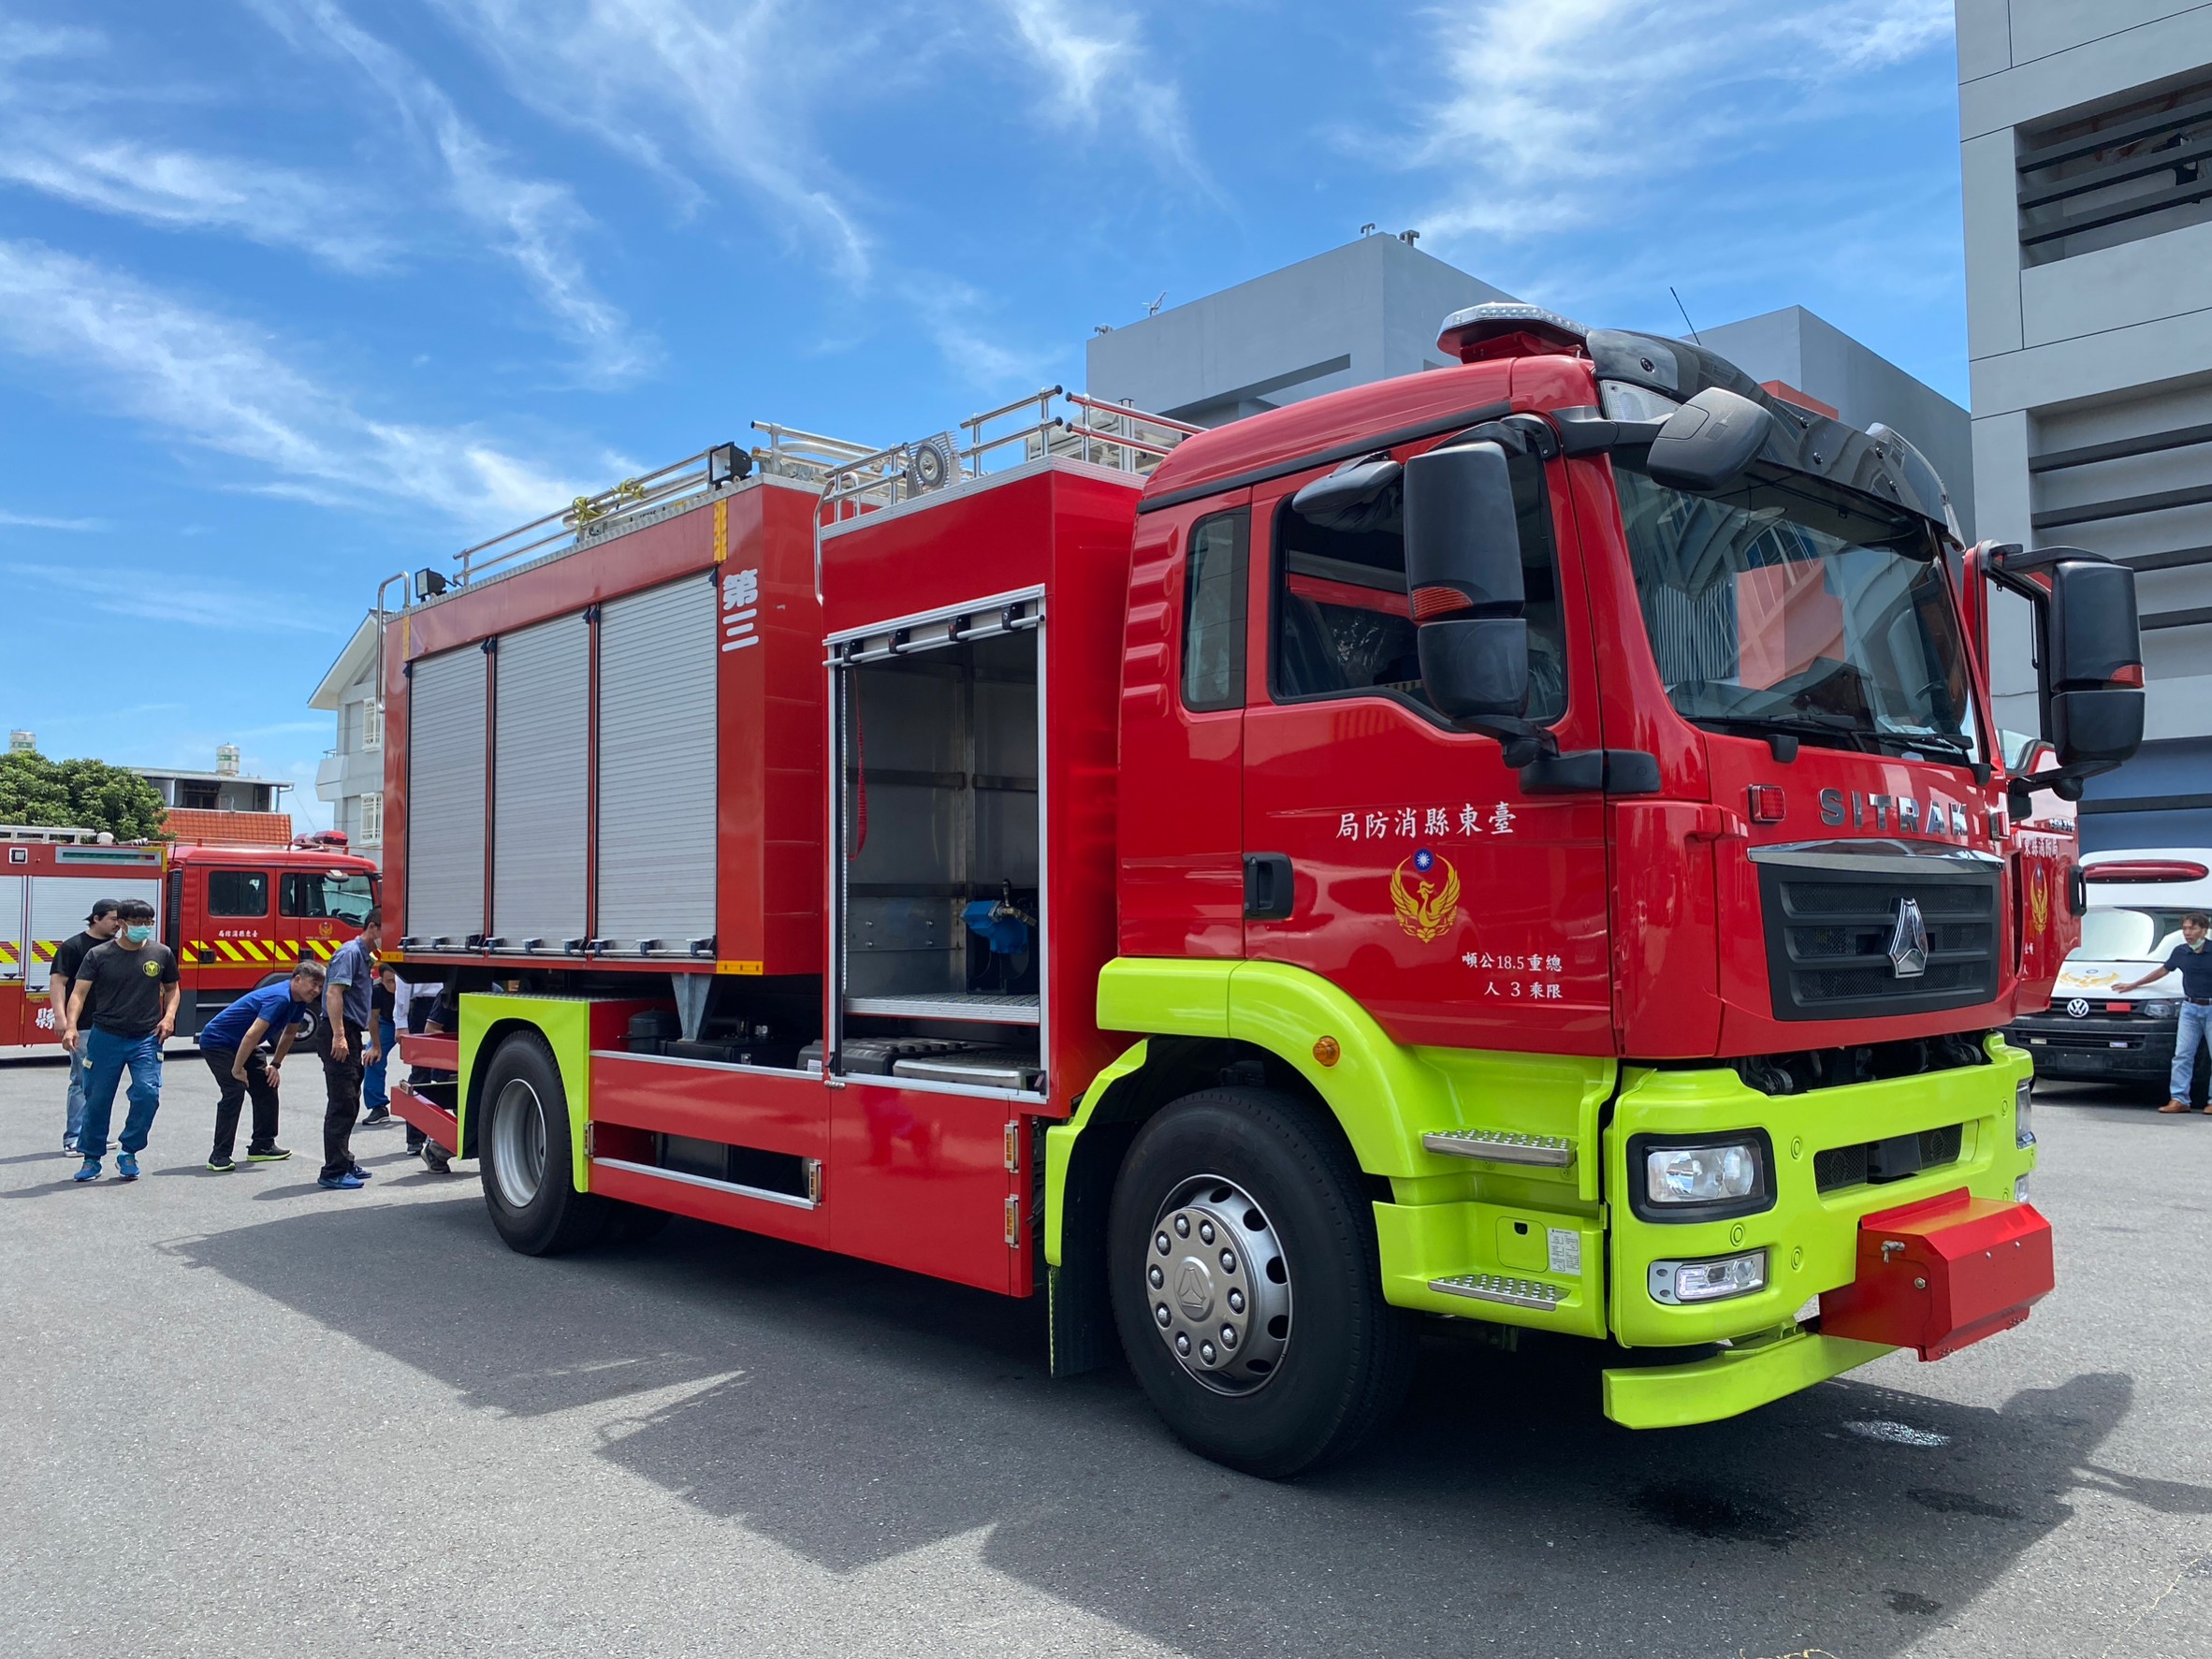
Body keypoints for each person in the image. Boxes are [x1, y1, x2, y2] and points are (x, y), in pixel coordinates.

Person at [65, 899, 179, 1184]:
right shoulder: (99, 955)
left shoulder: (161, 953)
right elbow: (78, 994)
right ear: (122, 924)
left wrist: (169, 1017)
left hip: (145, 1038)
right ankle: (91, 1158)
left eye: (148, 923)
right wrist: (71, 1027)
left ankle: (129, 1151)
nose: (144, 928)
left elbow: (172, 989)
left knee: (147, 1094)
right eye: (137, 923)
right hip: (106, 1036)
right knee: (97, 1098)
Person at [196, 963, 324, 1171]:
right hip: (218, 1042)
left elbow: (290, 1034)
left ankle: (262, 1146)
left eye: (320, 986)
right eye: (313, 984)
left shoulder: (299, 1002)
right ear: (298, 979)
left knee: (267, 1083)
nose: (316, 990)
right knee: (235, 1090)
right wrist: (237, 1070)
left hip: (242, 1043)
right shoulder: (280, 998)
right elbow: (252, 1034)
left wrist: (275, 1065)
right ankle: (219, 1155)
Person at [2114, 910, 2212, 1114]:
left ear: (2204, 930)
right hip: (2189, 1009)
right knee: (2182, 1055)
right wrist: (2133, 985)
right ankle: (2179, 1099)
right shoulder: (2180, 952)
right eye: (2185, 928)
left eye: (2192, 928)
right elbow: (2163, 970)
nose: (2187, 932)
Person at [315, 909, 383, 1191]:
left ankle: (344, 1161)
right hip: (339, 1031)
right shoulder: (349, 954)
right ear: (372, 927)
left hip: (352, 1033)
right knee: (342, 1102)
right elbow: (333, 993)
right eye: (386, 932)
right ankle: (333, 1171)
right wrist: (340, 1036)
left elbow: (365, 1004)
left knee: (351, 1099)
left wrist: (373, 1042)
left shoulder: (365, 958)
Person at [50, 897, 123, 1155]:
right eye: (114, 919)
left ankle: (94, 1136)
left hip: (111, 1026)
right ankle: (75, 1138)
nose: (118, 924)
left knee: (102, 1083)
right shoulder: (73, 946)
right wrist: (61, 1018)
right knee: (82, 1080)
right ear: (96, 918)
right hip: (82, 1025)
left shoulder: (118, 948)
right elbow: (58, 983)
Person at [394, 968, 456, 1172]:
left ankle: (436, 1143)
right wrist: (401, 1022)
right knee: (420, 1078)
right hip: (424, 1006)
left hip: (442, 1000)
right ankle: (419, 1140)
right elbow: (403, 981)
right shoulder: (447, 995)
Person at [361, 962, 397, 1124]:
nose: (395, 986)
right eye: (390, 981)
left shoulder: (411, 987)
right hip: (388, 1023)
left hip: (414, 1023)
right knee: (372, 1058)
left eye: (397, 981)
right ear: (381, 980)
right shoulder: (376, 991)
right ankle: (378, 1107)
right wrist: (376, 1046)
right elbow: (373, 1019)